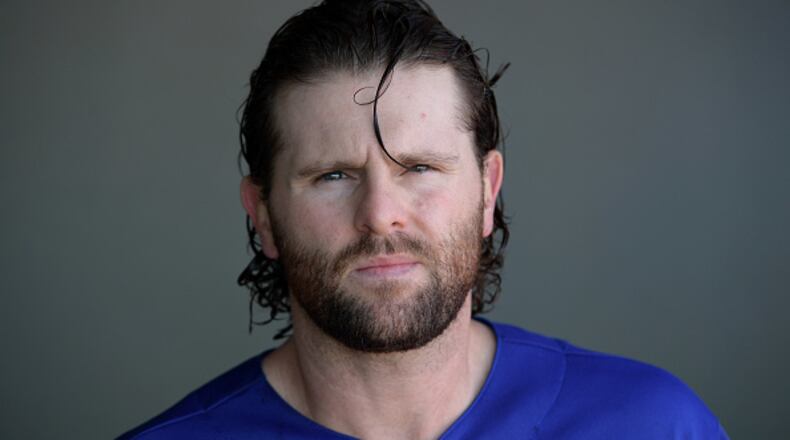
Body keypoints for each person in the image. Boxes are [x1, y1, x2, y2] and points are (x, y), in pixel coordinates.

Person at [119, 1, 728, 438]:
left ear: (487, 193)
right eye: (333, 175)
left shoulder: (653, 424)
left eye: (420, 168)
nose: (381, 216)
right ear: (265, 217)